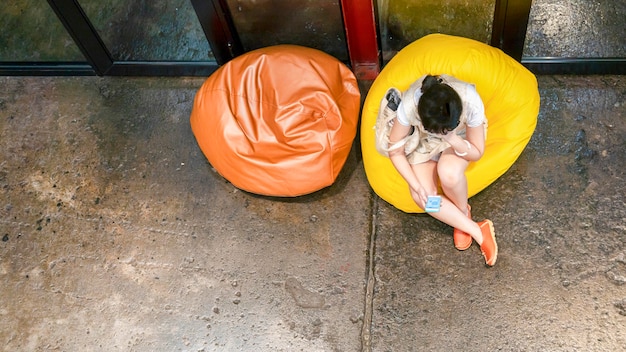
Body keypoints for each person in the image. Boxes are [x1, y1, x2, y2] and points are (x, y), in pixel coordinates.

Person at [376, 74, 497, 266]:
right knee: (422, 198)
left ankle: (462, 213)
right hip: (424, 142)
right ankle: (474, 228)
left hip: (460, 138)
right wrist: (416, 185)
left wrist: (452, 138)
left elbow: (476, 152)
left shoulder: (470, 99)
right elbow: (395, 150)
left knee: (448, 174)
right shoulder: (409, 106)